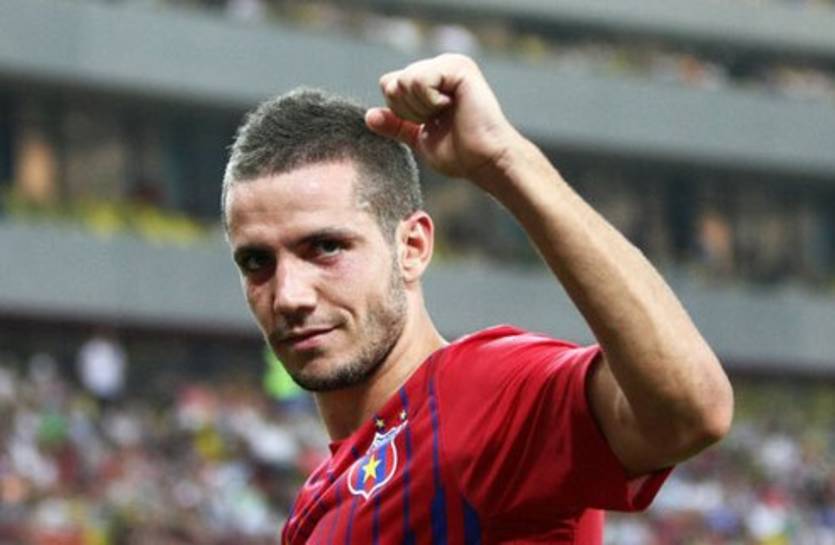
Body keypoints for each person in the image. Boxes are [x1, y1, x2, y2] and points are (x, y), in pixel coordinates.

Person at [221, 54, 733, 544]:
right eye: (257, 261)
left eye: (326, 247)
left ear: (412, 248)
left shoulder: (478, 394)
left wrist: (503, 160)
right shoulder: (317, 502)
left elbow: (691, 412)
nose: (288, 296)